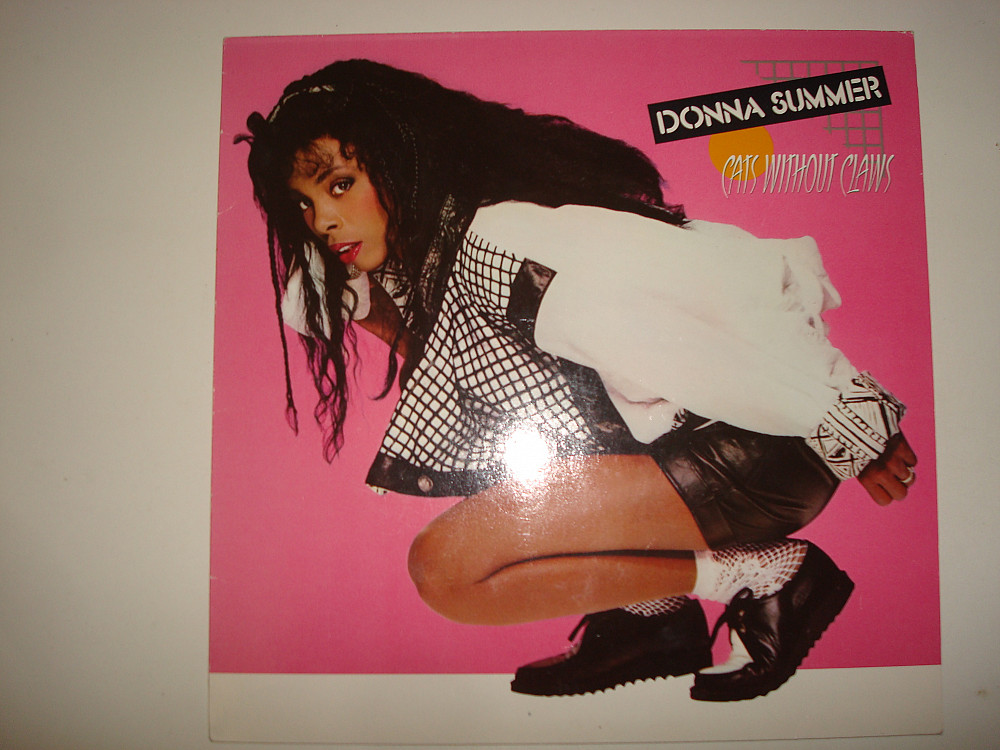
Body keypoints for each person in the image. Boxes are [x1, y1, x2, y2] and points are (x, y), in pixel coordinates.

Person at [238, 59, 918, 702]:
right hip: (695, 445)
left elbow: (689, 339)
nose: (322, 222)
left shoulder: (497, 245)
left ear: (403, 159)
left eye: (339, 185)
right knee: (511, 457)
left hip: (753, 440)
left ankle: (767, 574)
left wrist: (840, 415)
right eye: (303, 204)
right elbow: (319, 298)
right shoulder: (428, 261)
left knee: (446, 567)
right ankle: (653, 617)